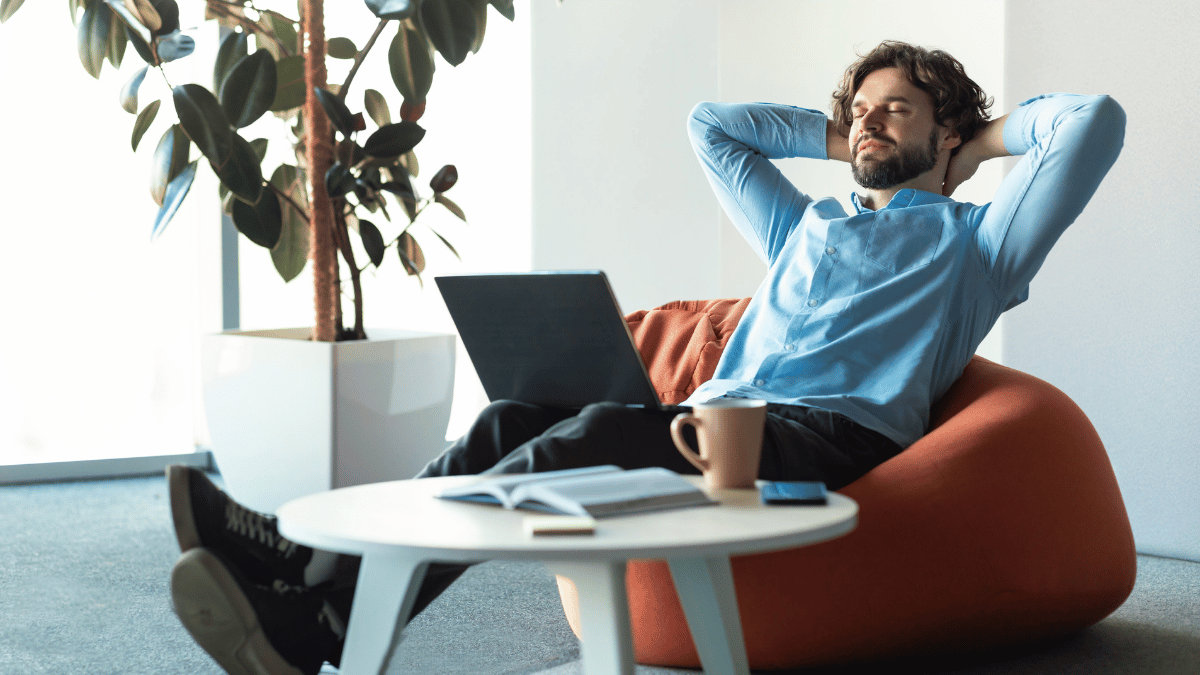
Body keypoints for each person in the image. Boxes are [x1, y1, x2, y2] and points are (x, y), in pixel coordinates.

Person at [166, 40, 1125, 675]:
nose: (872, 121)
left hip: (815, 438)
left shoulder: (978, 244)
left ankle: (318, 608)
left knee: (589, 433)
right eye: (861, 110)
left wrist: (976, 146)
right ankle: (306, 574)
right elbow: (714, 127)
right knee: (511, 421)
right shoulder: (805, 227)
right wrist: (845, 138)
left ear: (945, 133)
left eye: (899, 111)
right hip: (717, 415)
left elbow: (1093, 123)